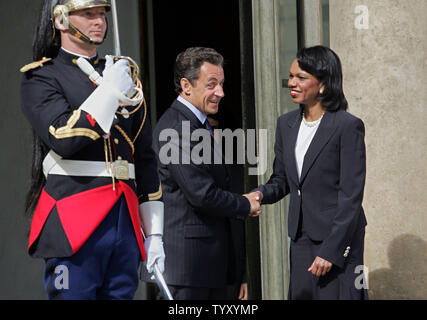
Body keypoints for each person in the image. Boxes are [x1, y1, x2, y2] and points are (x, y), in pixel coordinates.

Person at [21, 0, 164, 300]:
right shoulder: (42, 77)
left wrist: (155, 235)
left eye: (102, 14)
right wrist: (109, 93)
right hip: (74, 218)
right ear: (61, 20)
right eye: (88, 14)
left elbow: (144, 156)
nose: (99, 21)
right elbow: (63, 136)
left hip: (124, 220)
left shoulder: (123, 75)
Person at [143, 47, 261, 300]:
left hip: (206, 267)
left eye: (221, 84)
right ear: (186, 85)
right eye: (211, 84)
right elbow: (201, 194)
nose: (220, 92)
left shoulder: (197, 124)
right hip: (189, 268)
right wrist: (244, 203)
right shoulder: (177, 128)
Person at [251, 45, 368, 299]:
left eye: (301, 78)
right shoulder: (286, 124)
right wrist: (258, 194)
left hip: (338, 240)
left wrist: (332, 250)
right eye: (291, 76)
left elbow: (351, 196)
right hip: (301, 239)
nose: (292, 83)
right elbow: (281, 180)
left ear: (323, 84)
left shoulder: (348, 127)